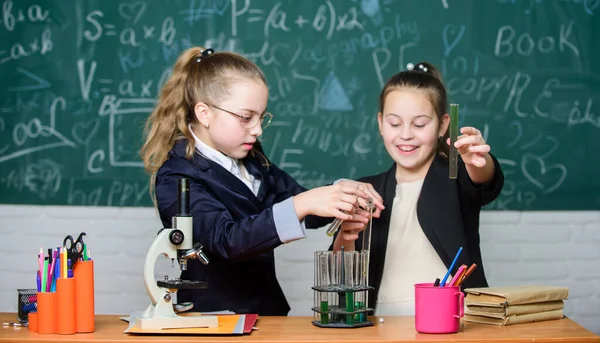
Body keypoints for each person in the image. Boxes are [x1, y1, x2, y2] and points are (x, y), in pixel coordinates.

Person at [140, 47, 384, 316]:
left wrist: (343, 192)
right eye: (246, 117)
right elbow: (228, 239)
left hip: (267, 316)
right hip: (214, 321)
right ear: (204, 113)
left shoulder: (252, 158)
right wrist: (302, 203)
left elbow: (307, 208)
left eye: (261, 117)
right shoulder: (177, 176)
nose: (257, 129)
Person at [331, 62, 504, 316]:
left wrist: (478, 160)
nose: (406, 135)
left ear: (443, 125)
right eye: (394, 123)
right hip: (381, 325)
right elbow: (340, 271)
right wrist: (346, 235)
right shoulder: (369, 189)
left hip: (455, 324)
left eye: (420, 124)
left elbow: (484, 179)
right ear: (380, 123)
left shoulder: (455, 178)